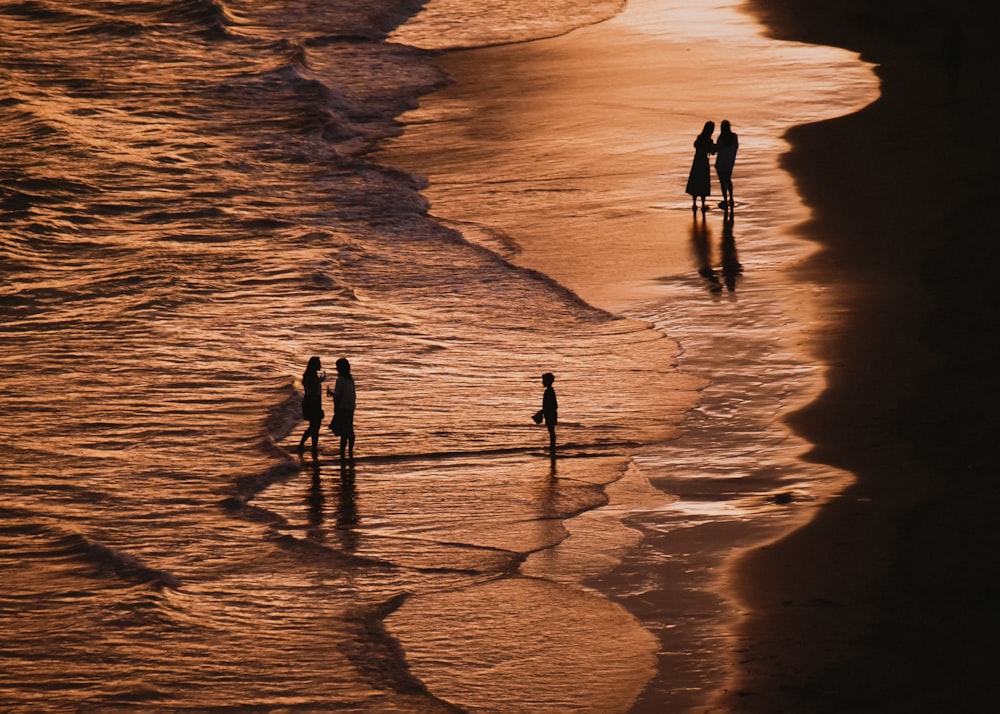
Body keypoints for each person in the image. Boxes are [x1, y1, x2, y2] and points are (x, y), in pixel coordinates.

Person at [296, 356, 326, 457]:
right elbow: (313, 392)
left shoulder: (309, 375)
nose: (320, 365)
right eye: (319, 363)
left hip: (310, 402)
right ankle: (308, 447)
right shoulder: (312, 377)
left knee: (313, 427)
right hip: (313, 403)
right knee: (314, 427)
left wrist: (320, 380)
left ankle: (306, 446)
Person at [327, 357, 356, 460]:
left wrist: (335, 408)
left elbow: (338, 397)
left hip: (343, 408)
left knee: (344, 432)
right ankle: (350, 451)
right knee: (348, 430)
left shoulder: (340, 380)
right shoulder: (350, 379)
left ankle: (343, 453)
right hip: (350, 407)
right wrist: (333, 394)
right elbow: (348, 394)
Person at [685, 121, 716, 212]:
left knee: (695, 182)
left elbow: (695, 145)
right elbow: (713, 152)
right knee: (703, 183)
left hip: (697, 161)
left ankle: (694, 203)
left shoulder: (700, 138)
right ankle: (702, 204)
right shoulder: (709, 140)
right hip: (704, 162)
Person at [715, 120, 738, 208]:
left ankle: (725, 199)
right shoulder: (734, 137)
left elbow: (717, 149)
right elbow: (736, 147)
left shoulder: (721, 138)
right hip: (729, 162)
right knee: (728, 180)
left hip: (721, 162)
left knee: (722, 182)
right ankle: (731, 198)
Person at [540, 372, 558, 452]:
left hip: (550, 414)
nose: (542, 382)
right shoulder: (549, 391)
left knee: (551, 431)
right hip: (550, 414)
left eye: (543, 380)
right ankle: (552, 447)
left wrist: (542, 412)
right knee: (551, 431)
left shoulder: (549, 392)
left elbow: (553, 405)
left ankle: (552, 447)